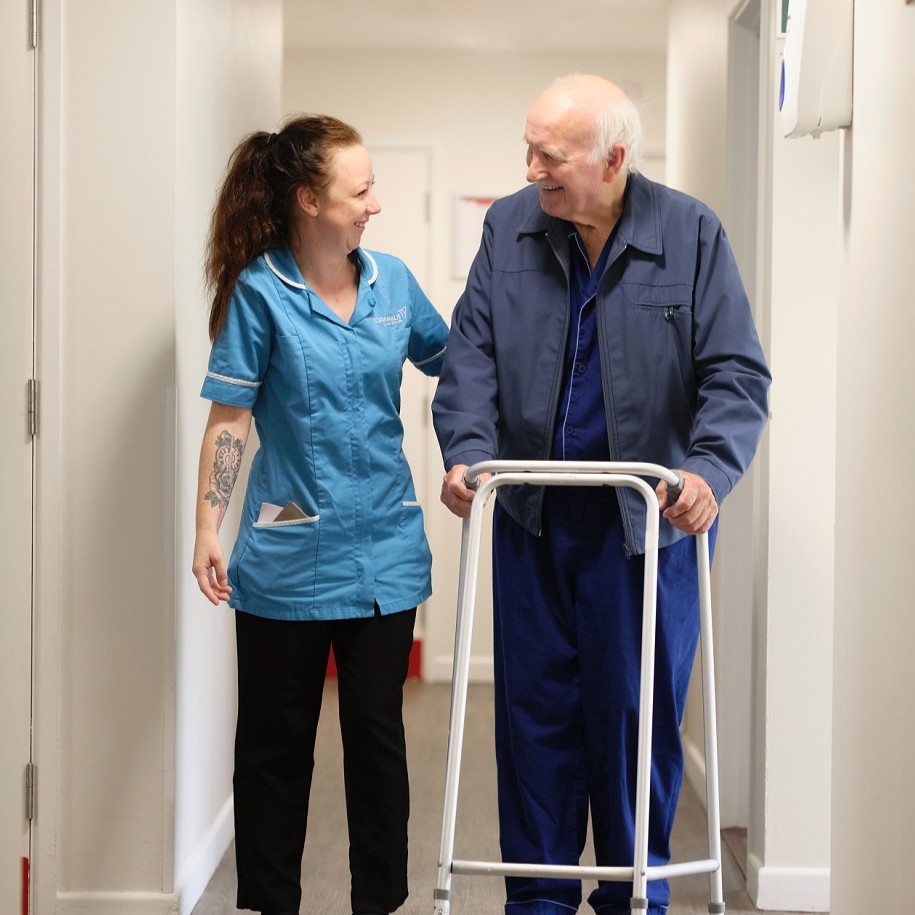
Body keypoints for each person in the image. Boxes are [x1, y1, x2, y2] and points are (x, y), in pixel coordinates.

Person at [432, 75, 771, 915]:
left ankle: (633, 900)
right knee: (533, 721)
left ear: (614, 159)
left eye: (549, 156)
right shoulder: (507, 226)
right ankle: (539, 900)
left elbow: (735, 374)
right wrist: (467, 452)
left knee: (631, 722)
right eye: (528, 149)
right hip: (532, 515)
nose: (530, 169)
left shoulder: (690, 233)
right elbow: (468, 354)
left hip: (643, 528)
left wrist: (709, 471)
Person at [192, 114, 448, 915]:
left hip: (384, 553)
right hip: (286, 551)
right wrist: (208, 526)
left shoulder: (393, 283)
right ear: (309, 198)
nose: (376, 201)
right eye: (361, 187)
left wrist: (475, 448)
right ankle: (271, 904)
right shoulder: (261, 294)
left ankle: (380, 901)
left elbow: (460, 364)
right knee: (273, 749)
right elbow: (231, 419)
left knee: (376, 739)